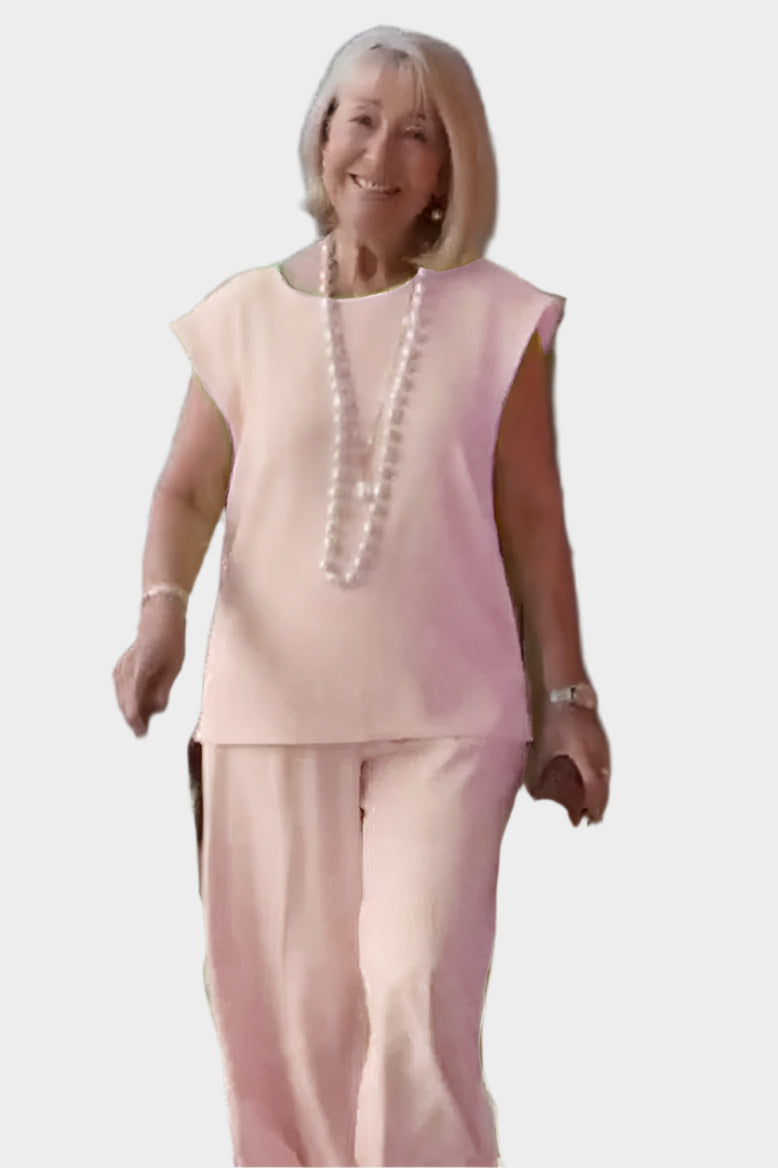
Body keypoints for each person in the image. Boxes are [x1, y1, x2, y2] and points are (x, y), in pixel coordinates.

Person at [113, 24, 610, 1168]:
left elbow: (534, 520)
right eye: (361, 120)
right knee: (282, 1017)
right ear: (321, 135)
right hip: (268, 715)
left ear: (450, 165)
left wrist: (568, 696)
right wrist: (159, 613)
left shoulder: (500, 320)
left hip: (452, 715)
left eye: (417, 133)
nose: (380, 154)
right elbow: (185, 489)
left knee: (414, 985)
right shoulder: (242, 314)